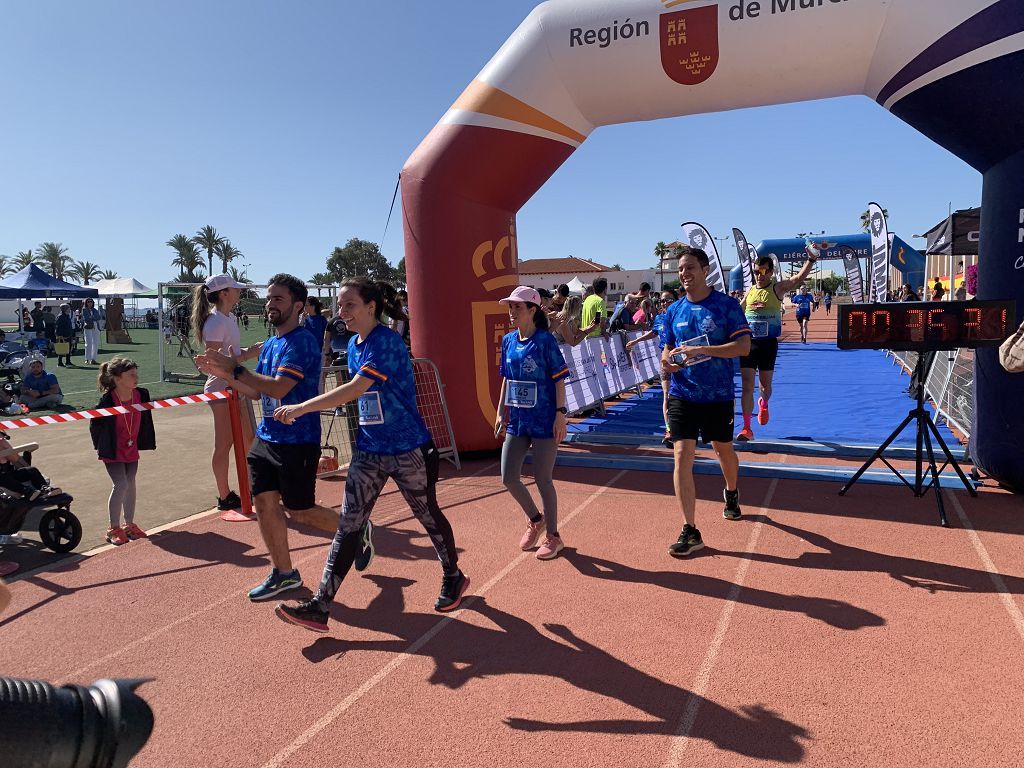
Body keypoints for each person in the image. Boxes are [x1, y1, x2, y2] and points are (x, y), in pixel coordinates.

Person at [270, 277, 468, 633]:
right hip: (370, 450)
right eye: (340, 306)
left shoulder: (387, 343)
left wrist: (301, 407)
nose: (341, 312)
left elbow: (356, 388)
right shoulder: (356, 346)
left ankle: (453, 574)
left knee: (427, 515)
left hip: (408, 449)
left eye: (349, 305)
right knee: (349, 524)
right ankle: (320, 605)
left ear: (371, 307)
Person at [195, 273, 348, 602]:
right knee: (264, 504)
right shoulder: (273, 343)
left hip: (297, 440)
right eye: (268, 298)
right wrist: (224, 374)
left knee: (300, 511)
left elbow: (279, 388)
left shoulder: (301, 342)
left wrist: (234, 369)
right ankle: (284, 574)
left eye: (277, 299)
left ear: (296, 305)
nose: (269, 304)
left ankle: (354, 529)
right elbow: (255, 392)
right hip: (266, 437)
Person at [660, 246, 751, 556]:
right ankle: (690, 529)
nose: (684, 274)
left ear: (705, 269)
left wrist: (703, 351)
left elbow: (743, 347)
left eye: (689, 268)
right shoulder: (673, 311)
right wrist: (668, 362)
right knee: (682, 455)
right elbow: (666, 348)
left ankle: (731, 492)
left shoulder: (726, 306)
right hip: (682, 394)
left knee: (722, 450)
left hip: (718, 396)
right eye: (680, 269)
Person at [495, 286, 570, 561]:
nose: (512, 311)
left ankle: (554, 536)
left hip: (544, 420)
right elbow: (506, 377)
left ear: (532, 310)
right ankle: (535, 519)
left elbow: (559, 378)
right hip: (517, 419)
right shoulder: (508, 342)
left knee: (542, 478)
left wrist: (560, 413)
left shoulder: (545, 341)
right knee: (508, 477)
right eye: (510, 306)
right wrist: (501, 411)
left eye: (517, 307)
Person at [192, 274, 264, 513]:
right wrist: (244, 358)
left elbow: (228, 355)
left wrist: (250, 352)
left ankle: (253, 487)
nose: (239, 291)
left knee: (248, 439)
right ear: (224, 293)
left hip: (234, 383)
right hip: (222, 387)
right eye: (235, 288)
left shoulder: (229, 317)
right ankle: (224, 496)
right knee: (224, 443)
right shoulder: (215, 322)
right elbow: (211, 361)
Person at [738, 249, 818, 440]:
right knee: (747, 386)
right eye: (756, 272)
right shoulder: (750, 291)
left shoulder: (777, 288)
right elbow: (736, 310)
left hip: (767, 345)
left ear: (771, 272)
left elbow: (798, 278)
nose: (760, 275)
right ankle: (747, 428)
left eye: (764, 271)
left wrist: (811, 259)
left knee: (765, 386)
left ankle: (764, 403)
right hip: (749, 344)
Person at [89, 358, 155, 546]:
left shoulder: (141, 395)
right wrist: (101, 446)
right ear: (118, 379)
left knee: (131, 483)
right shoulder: (108, 400)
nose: (136, 377)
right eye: (131, 375)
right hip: (113, 449)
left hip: (131, 446)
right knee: (120, 484)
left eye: (136, 373)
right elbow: (95, 424)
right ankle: (113, 528)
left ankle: (129, 525)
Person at [625, 289, 678, 445]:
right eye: (662, 301)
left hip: (682, 362)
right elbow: (654, 333)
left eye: (668, 300)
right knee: (667, 394)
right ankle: (669, 429)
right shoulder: (660, 318)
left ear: (675, 301)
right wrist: (636, 341)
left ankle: (686, 427)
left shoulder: (682, 315)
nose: (664, 303)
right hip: (665, 360)